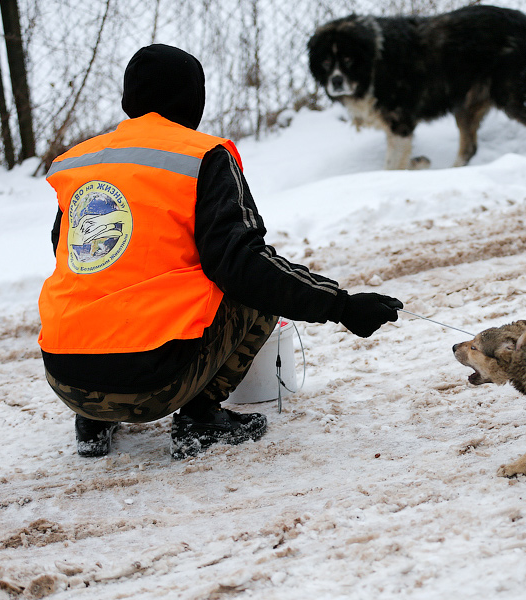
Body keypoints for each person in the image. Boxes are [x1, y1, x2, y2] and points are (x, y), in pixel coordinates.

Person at [38, 44, 402, 460]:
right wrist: (341, 305)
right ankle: (200, 417)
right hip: (152, 387)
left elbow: (67, 252)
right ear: (194, 98)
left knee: (98, 279)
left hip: (66, 380)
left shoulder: (81, 161)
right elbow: (244, 266)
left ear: (129, 99)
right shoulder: (200, 157)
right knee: (249, 288)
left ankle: (95, 420)